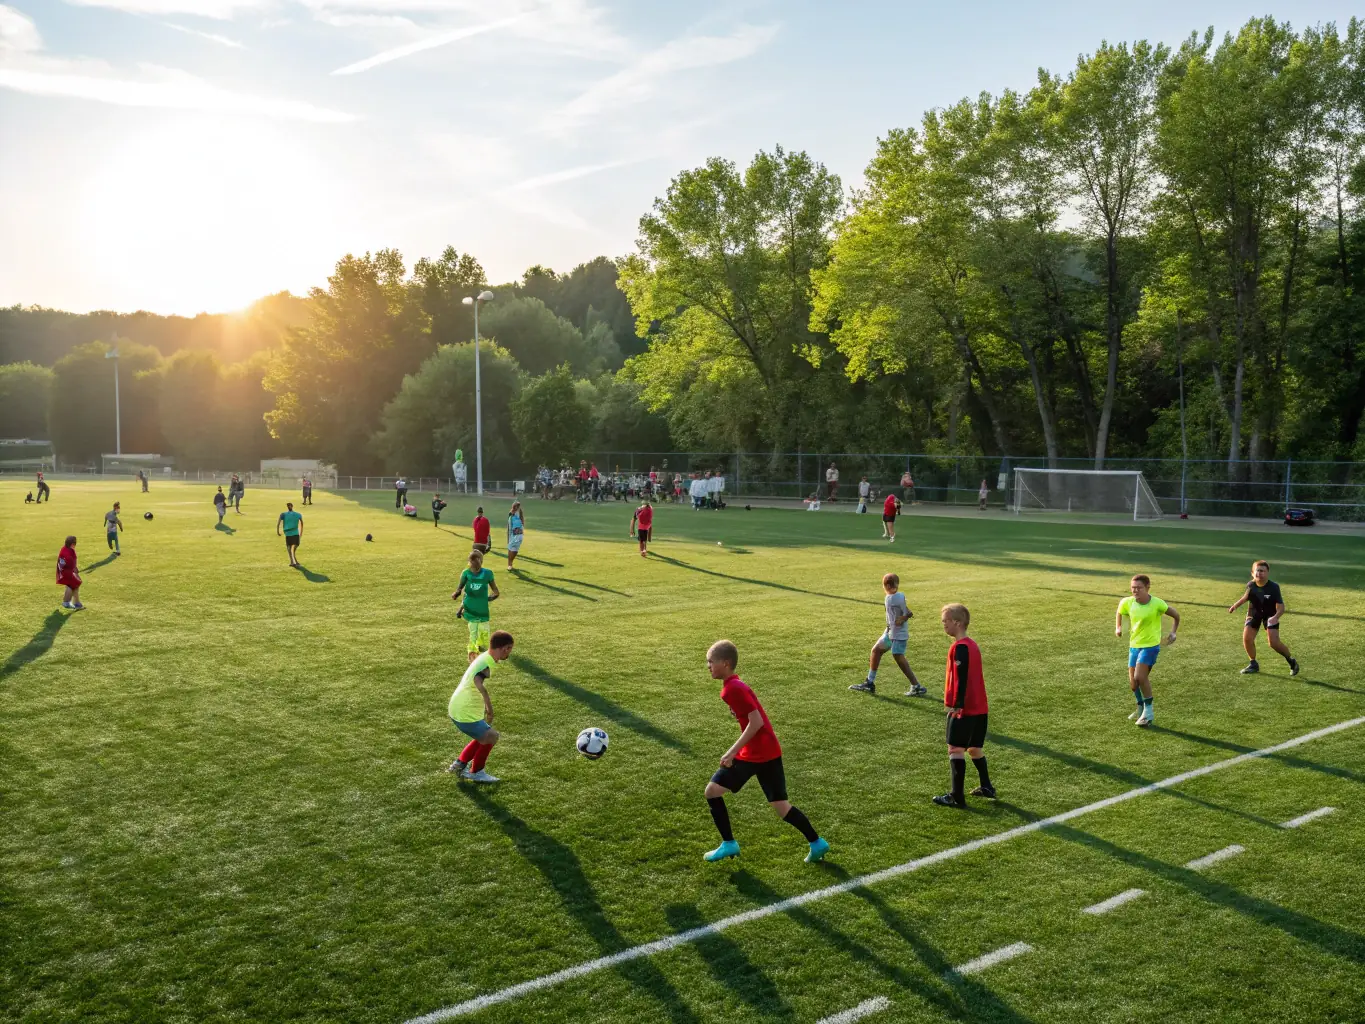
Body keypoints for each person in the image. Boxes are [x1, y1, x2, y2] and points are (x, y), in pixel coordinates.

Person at [701, 639, 829, 864]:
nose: (708, 666)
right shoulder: (735, 684)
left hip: (756, 754)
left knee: (712, 792)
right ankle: (817, 843)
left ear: (726, 663)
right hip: (769, 751)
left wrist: (731, 752)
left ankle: (729, 844)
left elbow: (756, 722)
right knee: (781, 807)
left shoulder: (732, 688)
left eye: (711, 661)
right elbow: (752, 713)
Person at [933, 603, 995, 807]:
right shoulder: (972, 644)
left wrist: (957, 705)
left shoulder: (960, 648)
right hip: (980, 707)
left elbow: (961, 677)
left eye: (946, 622)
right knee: (974, 748)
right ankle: (987, 786)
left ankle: (956, 796)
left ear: (957, 623)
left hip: (965, 708)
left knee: (955, 749)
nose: (944, 625)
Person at [446, 629, 515, 783]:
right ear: (505, 648)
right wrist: (489, 707)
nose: (509, 653)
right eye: (510, 649)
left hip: (459, 706)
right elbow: (478, 682)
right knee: (491, 736)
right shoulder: (488, 662)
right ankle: (476, 772)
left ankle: (459, 764)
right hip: (465, 710)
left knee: (483, 735)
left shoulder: (486, 658)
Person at [1116, 574, 1180, 728]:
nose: (1135, 591)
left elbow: (1176, 615)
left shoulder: (1157, 603)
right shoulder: (1127, 602)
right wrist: (1118, 627)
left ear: (1147, 588)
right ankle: (1140, 708)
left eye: (1139, 588)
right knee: (1133, 683)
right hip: (1134, 645)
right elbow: (1120, 611)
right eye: (1133, 588)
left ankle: (1148, 713)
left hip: (1150, 646)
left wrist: (1173, 632)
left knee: (1139, 676)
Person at [850, 573, 926, 697]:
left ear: (888, 585)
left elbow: (908, 613)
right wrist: (904, 616)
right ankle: (869, 683)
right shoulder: (895, 597)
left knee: (898, 656)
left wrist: (903, 618)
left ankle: (916, 686)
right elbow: (909, 612)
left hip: (898, 634)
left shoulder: (894, 598)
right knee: (876, 651)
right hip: (890, 633)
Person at [1228, 560, 1299, 676]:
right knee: (1247, 639)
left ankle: (1291, 661)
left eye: (1262, 571)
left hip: (1270, 615)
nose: (1259, 573)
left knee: (1274, 643)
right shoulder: (1251, 585)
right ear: (1252, 573)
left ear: (1267, 573)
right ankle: (1253, 664)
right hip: (1254, 613)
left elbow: (1281, 607)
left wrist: (1276, 617)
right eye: (1257, 571)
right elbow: (1246, 597)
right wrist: (1234, 606)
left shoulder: (1274, 587)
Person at [453, 549, 499, 663]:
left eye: (477, 564)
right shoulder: (466, 573)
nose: (474, 568)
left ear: (481, 562)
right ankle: (472, 654)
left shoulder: (488, 573)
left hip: (482, 610)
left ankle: (480, 644)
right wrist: (457, 594)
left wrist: (490, 597)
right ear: (469, 562)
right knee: (473, 632)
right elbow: (460, 588)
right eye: (472, 564)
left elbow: (496, 591)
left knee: (484, 632)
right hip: (470, 609)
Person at [57, 535, 83, 610]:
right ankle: (66, 602)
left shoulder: (65, 548)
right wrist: (74, 569)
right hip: (67, 572)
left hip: (65, 571)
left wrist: (75, 568)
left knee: (76, 584)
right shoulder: (68, 554)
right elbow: (71, 565)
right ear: (72, 544)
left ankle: (77, 602)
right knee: (72, 585)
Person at [277, 501, 304, 567]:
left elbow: (278, 523)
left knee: (289, 548)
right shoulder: (298, 514)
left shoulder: (283, 514)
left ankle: (293, 561)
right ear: (292, 506)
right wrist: (300, 533)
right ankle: (294, 562)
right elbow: (302, 523)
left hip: (288, 534)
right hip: (295, 534)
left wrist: (278, 532)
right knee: (292, 548)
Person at [506, 501, 525, 567]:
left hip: (518, 533)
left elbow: (522, 521)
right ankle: (509, 564)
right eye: (514, 506)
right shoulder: (511, 514)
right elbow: (509, 525)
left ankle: (510, 563)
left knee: (514, 550)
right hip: (512, 532)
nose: (514, 508)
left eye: (516, 506)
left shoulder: (519, 512)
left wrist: (522, 526)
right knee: (510, 548)